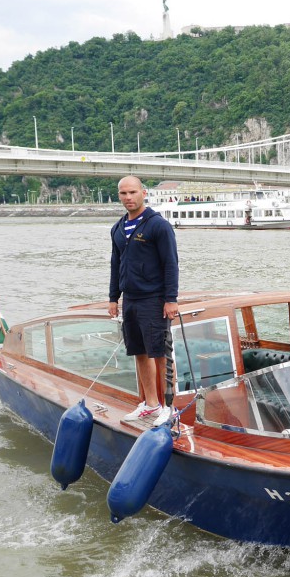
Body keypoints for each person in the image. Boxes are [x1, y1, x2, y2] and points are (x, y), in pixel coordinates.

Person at [108, 175, 179, 426]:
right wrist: (113, 297)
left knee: (159, 353)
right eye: (123, 193)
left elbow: (170, 263)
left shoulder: (158, 225)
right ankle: (151, 404)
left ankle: (169, 407)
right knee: (139, 351)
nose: (128, 197)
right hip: (130, 300)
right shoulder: (117, 228)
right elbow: (116, 264)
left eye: (132, 192)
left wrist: (171, 299)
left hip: (154, 298)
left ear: (143, 193)